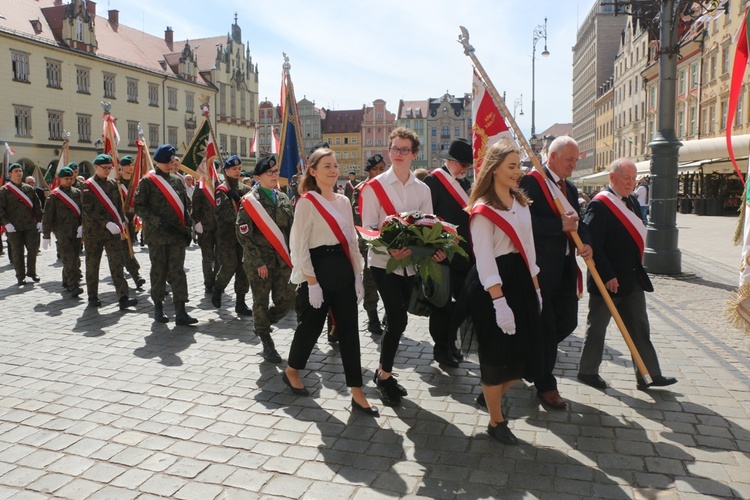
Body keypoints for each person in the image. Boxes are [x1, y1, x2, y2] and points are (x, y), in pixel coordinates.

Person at [282, 147, 378, 416]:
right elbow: (299, 246)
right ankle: (291, 370)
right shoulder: (306, 202)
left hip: (343, 269)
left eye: (335, 165)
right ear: (312, 171)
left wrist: (358, 275)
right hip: (318, 269)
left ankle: (357, 392)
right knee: (310, 327)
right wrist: (311, 282)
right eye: (326, 166)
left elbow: (351, 240)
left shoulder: (344, 201)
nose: (334, 170)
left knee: (350, 332)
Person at [463, 139, 543, 445]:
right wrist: (499, 303)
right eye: (511, 166)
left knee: (527, 355)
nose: (518, 171)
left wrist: (536, 287)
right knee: (495, 357)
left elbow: (530, 250)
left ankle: (489, 397)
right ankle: (496, 421)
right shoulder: (482, 211)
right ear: (494, 169)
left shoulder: (522, 203)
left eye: (519, 165)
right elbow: (483, 259)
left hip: (522, 280)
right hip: (491, 286)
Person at [361, 127, 444, 407]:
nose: (397, 154)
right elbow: (369, 229)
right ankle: (384, 376)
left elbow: (429, 225)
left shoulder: (423, 189)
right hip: (384, 263)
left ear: (414, 155)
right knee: (398, 319)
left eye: (404, 150)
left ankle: (384, 371)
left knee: (396, 319)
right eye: (394, 149)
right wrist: (389, 247)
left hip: (410, 264)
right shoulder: (374, 187)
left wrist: (434, 250)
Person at [577, 158, 677, 390]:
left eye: (633, 178)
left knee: (639, 326)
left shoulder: (631, 200)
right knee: (598, 327)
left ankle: (648, 375)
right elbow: (594, 245)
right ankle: (587, 371)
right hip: (608, 280)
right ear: (612, 178)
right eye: (626, 178)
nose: (631, 183)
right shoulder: (599, 205)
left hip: (632, 278)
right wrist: (608, 274)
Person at [518, 135, 592, 410]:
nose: (573, 165)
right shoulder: (531, 183)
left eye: (575, 160)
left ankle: (531, 358)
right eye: (569, 160)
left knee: (568, 322)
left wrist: (587, 245)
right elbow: (524, 222)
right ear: (552, 157)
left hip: (565, 268)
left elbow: (577, 222)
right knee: (547, 328)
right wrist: (557, 226)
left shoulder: (569, 188)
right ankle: (545, 383)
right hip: (540, 268)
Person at [236, 155, 295, 363]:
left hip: (281, 260)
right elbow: (243, 233)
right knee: (260, 301)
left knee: (287, 298)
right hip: (259, 262)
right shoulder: (251, 201)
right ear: (258, 176)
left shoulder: (283, 198)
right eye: (269, 172)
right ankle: (266, 341)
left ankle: (262, 323)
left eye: (276, 171)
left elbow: (290, 230)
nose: (274, 175)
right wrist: (258, 262)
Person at [422, 138, 473, 367]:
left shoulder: (466, 184)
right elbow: (426, 219)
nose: (465, 168)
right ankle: (441, 348)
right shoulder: (433, 181)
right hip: (441, 255)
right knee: (441, 306)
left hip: (464, 255)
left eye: (468, 164)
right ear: (449, 161)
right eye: (462, 163)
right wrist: (433, 249)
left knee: (464, 303)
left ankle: (451, 341)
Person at [134, 144, 197, 325]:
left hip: (176, 234)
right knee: (159, 271)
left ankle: (181, 311)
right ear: (160, 162)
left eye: (172, 162)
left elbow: (185, 206)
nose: (172, 165)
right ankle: (158, 308)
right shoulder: (147, 181)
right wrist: (158, 221)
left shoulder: (177, 181)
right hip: (157, 235)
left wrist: (188, 228)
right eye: (169, 163)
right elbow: (139, 207)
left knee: (178, 271)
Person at [81, 154, 138, 309]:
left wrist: (122, 219)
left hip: (112, 232)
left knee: (117, 264)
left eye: (109, 168)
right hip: (94, 232)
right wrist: (105, 223)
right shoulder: (87, 186)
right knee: (93, 265)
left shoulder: (113, 184)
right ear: (96, 167)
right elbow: (88, 210)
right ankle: (92, 296)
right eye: (104, 168)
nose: (107, 170)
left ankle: (123, 297)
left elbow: (118, 205)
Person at [212, 155, 252, 316]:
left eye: (239, 168)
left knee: (243, 268)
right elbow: (227, 215)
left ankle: (240, 303)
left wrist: (241, 200)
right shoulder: (222, 190)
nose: (237, 171)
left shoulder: (245, 190)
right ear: (226, 170)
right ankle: (218, 287)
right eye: (233, 169)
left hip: (243, 237)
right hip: (227, 236)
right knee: (229, 265)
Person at [352, 153, 386, 335]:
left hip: (390, 240)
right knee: (371, 281)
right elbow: (357, 218)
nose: (379, 172)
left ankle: (390, 314)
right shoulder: (361, 190)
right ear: (368, 171)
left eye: (382, 168)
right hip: (368, 242)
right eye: (375, 169)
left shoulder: (390, 187)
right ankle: (372, 318)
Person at [41, 166, 83, 297]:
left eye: (71, 178)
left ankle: (66, 281)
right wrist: (46, 235)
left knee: (74, 259)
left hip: (76, 231)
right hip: (62, 232)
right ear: (60, 179)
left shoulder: (77, 192)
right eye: (66, 179)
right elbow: (47, 216)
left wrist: (83, 226)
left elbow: (83, 211)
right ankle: (73, 286)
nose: (69, 181)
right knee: (69, 260)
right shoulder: (54, 195)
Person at [0, 163, 43, 284]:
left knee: (33, 250)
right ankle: (20, 275)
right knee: (17, 252)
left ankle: (32, 272)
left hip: (29, 225)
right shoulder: (4, 190)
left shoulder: (28, 189)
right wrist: (6, 223)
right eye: (16, 171)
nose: (19, 173)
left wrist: (39, 221)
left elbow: (37, 206)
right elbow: (0, 209)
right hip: (14, 227)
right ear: (10, 174)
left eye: (20, 171)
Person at [118, 155, 146, 289]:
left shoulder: (137, 183)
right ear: (122, 167)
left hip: (133, 221)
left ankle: (126, 267)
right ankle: (136, 275)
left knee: (128, 249)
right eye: (128, 165)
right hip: (120, 222)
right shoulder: (117, 184)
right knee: (126, 249)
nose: (131, 167)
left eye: (133, 165)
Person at [191, 164, 218, 294]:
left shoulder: (219, 184)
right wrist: (197, 222)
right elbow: (195, 204)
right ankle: (208, 283)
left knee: (219, 257)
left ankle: (217, 281)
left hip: (219, 228)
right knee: (207, 257)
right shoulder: (200, 185)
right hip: (205, 227)